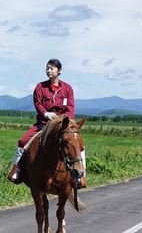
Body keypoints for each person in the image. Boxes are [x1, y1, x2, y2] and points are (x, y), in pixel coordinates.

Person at [7, 58, 86, 187]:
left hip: (62, 125)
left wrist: (64, 122)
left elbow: (70, 109)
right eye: (47, 68)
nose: (49, 70)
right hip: (43, 123)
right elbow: (37, 103)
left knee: (79, 145)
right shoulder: (40, 87)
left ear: (59, 71)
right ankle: (18, 169)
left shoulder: (67, 89)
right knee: (23, 141)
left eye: (52, 68)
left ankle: (81, 176)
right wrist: (46, 114)